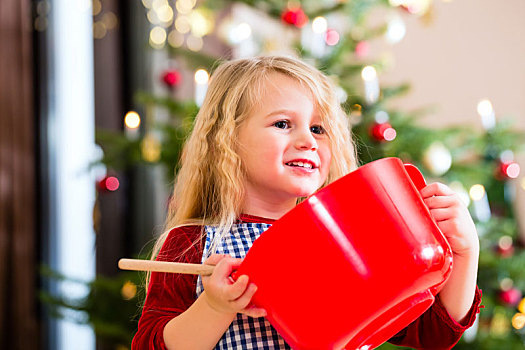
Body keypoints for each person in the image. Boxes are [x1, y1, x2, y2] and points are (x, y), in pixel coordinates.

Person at [132, 55, 482, 350]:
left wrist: (466, 254)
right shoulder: (192, 244)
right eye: (283, 123)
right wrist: (213, 306)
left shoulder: (343, 241)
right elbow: (151, 343)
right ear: (228, 141)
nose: (308, 141)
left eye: (318, 129)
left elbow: (430, 334)